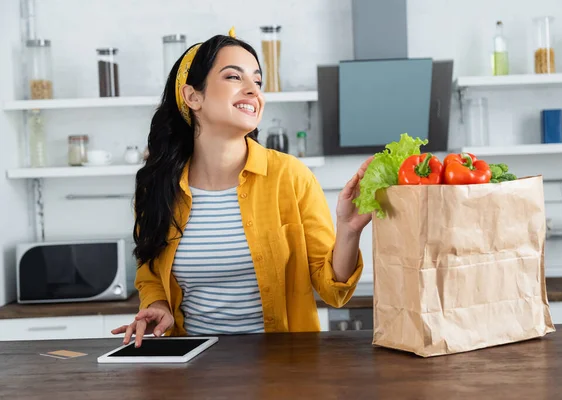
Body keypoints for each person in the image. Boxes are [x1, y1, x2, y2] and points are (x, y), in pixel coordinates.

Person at [112, 28, 373, 347]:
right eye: (234, 77)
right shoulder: (158, 185)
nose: (253, 90)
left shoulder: (290, 175)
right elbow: (150, 272)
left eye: (258, 81)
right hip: (191, 368)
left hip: (283, 370)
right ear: (193, 96)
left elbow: (333, 291)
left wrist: (348, 230)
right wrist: (157, 306)